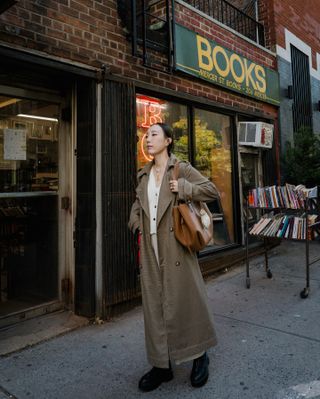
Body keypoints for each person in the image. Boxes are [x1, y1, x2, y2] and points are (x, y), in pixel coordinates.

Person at [128, 122, 220, 392]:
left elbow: (212, 191)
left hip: (177, 247)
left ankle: (199, 355)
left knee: (187, 304)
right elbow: (136, 206)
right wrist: (137, 226)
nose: (148, 139)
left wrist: (184, 187)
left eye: (154, 135)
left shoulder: (181, 168)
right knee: (155, 310)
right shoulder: (143, 175)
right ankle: (161, 365)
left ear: (168, 141)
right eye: (146, 136)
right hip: (151, 251)